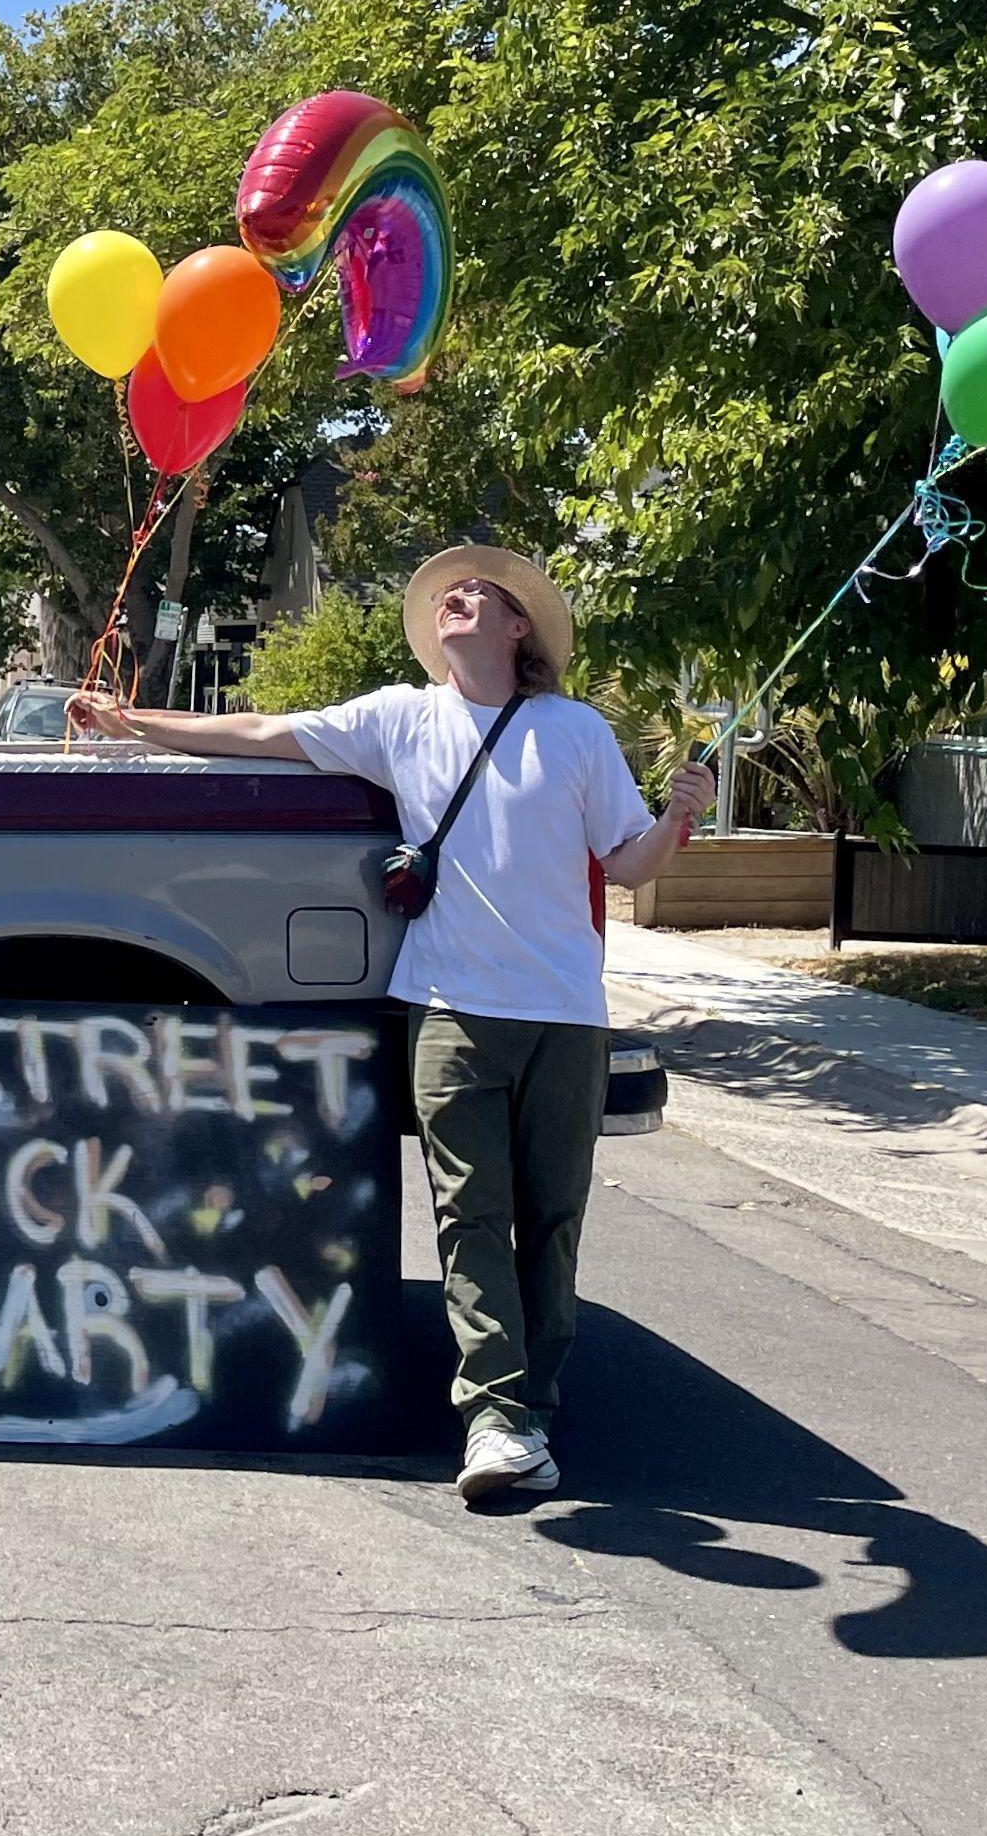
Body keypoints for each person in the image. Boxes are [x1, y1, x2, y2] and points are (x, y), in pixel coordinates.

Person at [66, 546, 713, 1506]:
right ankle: (496, 1415)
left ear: (517, 627)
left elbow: (630, 867)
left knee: (552, 1217)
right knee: (471, 1213)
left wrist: (680, 818)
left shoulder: (574, 732)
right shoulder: (398, 717)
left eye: (478, 593)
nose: (455, 597)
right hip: (450, 1008)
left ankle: (536, 1398)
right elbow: (260, 731)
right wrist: (132, 722)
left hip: (566, 1013)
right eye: (448, 593)